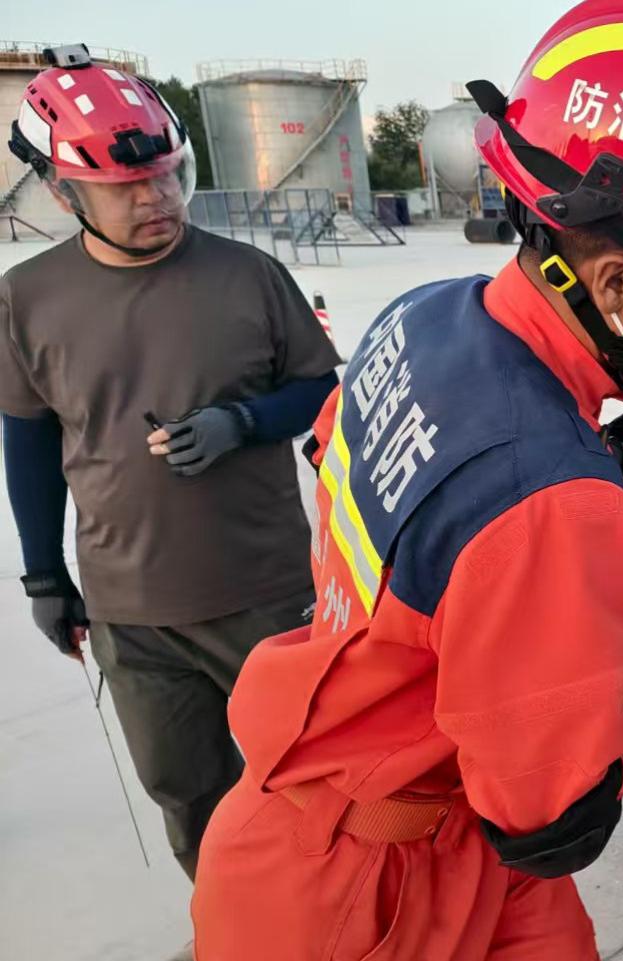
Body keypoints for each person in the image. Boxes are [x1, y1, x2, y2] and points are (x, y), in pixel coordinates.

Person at [189, 3, 623, 959]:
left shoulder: (424, 315)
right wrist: (581, 575)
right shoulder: (554, 499)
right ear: (619, 282)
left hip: (339, 811)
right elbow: (552, 818)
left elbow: (347, 465)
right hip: (364, 900)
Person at [0, 44, 340, 879]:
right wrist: (45, 577)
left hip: (268, 595)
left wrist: (244, 420)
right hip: (132, 611)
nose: (155, 199)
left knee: (316, 785)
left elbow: (320, 392)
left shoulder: (249, 276)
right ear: (62, 191)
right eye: (125, 190)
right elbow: (29, 438)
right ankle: (231, 924)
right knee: (189, 797)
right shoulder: (27, 297)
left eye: (167, 177)